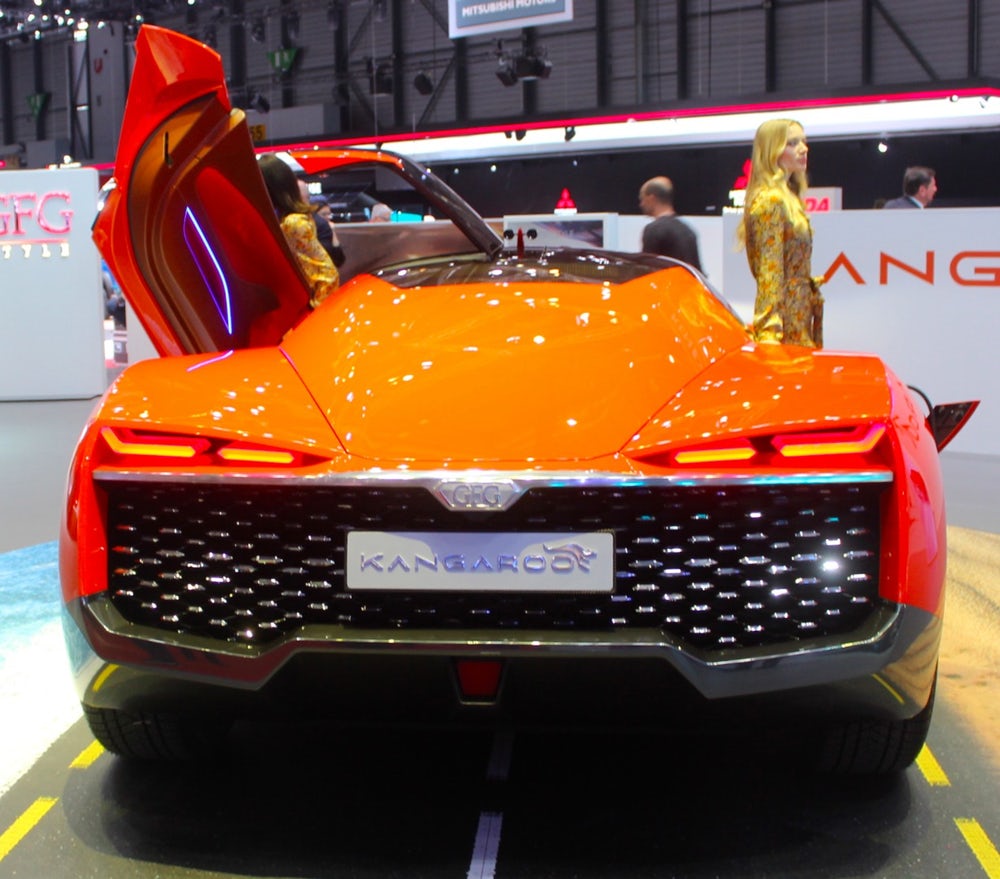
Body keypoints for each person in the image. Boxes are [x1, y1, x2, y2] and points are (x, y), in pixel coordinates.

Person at [738, 118, 825, 348]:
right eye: (792, 143)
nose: (803, 148)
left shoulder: (789, 198)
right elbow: (770, 272)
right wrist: (769, 332)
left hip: (798, 316)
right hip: (785, 325)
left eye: (803, 141)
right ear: (772, 150)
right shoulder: (771, 200)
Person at [259, 154, 339, 308]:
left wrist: (313, 314)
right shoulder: (289, 220)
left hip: (301, 310)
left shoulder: (293, 223)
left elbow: (328, 276)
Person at [637, 176, 702, 271]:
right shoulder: (687, 230)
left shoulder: (654, 230)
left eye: (642, 199)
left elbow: (647, 270)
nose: (641, 204)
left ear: (651, 198)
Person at [307, 193, 347, 267]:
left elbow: (339, 260)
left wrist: (333, 232)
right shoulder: (310, 232)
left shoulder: (328, 230)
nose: (328, 217)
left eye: (329, 214)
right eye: (323, 214)